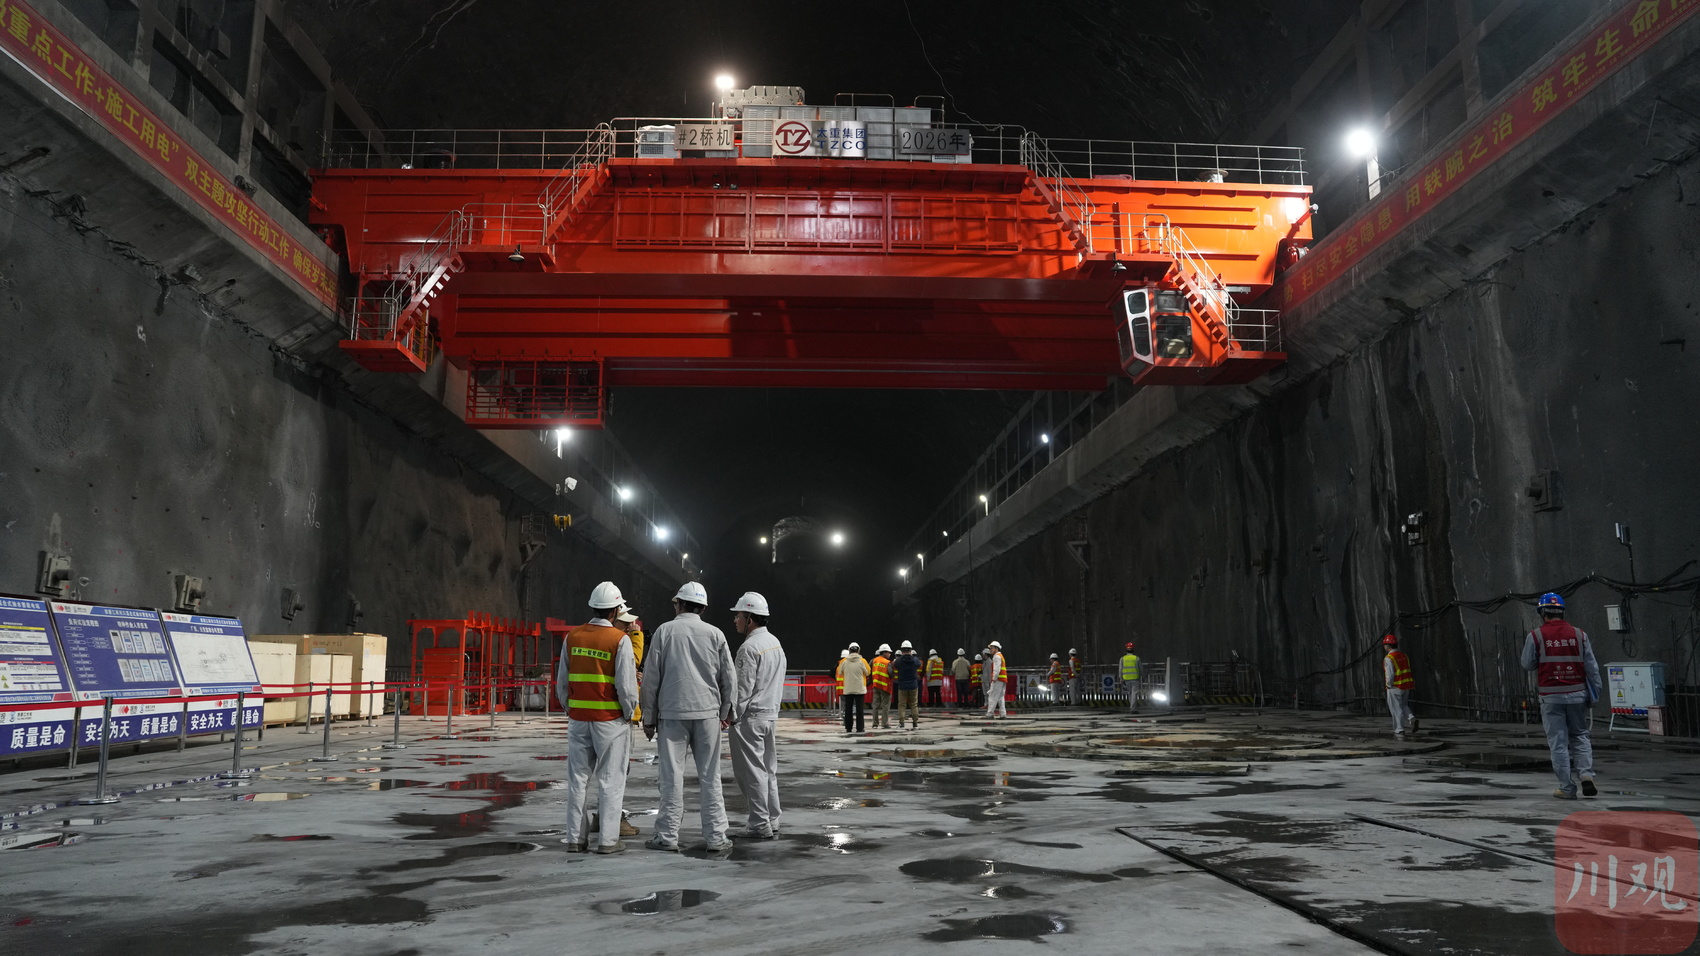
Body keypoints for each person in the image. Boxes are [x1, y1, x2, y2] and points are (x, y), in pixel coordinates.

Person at [640, 581, 736, 851]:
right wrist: (727, 712)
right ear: (702, 608)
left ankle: (667, 836)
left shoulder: (664, 631)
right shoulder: (715, 634)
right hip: (707, 714)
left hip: (672, 714)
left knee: (671, 777)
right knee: (710, 776)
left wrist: (649, 717)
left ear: (679, 604)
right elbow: (728, 676)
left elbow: (651, 678)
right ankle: (716, 837)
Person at [557, 581, 639, 854]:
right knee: (611, 780)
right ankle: (607, 841)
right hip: (610, 720)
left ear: (593, 607)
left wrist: (571, 709)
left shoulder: (573, 637)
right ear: (615, 611)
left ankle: (575, 839)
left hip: (579, 719)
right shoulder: (619, 640)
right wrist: (628, 713)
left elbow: (562, 682)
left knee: (577, 780)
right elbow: (626, 686)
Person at [1521, 592, 1603, 800]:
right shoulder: (1579, 634)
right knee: (1580, 736)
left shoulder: (1536, 636)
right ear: (1562, 612)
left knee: (1558, 743)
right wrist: (1595, 694)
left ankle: (1566, 788)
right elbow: (1592, 668)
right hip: (1577, 695)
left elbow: (1527, 664)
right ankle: (1586, 775)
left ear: (1542, 613)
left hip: (1551, 698)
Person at [728, 592, 786, 840]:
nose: (735, 620)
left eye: (738, 616)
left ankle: (759, 823)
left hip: (750, 718)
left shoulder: (749, 648)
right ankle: (772, 818)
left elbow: (742, 689)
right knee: (768, 771)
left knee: (751, 773)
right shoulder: (775, 643)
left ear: (750, 619)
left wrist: (731, 715)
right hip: (769, 715)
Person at [1382, 634, 1417, 739]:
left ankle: (1399, 729)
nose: (1384, 647)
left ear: (1388, 645)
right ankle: (1411, 718)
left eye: (1385, 645)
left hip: (1395, 686)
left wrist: (1389, 685)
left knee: (1396, 709)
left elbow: (1390, 675)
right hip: (1406, 685)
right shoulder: (1404, 656)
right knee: (1403, 705)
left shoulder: (1389, 658)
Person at [837, 643, 870, 733]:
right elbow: (868, 672)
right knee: (859, 710)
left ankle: (848, 728)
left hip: (848, 689)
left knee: (848, 709)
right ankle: (860, 728)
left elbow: (840, 672)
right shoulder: (862, 661)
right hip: (860, 689)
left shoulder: (844, 661)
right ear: (858, 650)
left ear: (849, 650)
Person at [893, 640, 922, 730]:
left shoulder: (898, 661)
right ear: (910, 650)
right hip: (913, 685)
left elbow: (895, 666)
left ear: (902, 650)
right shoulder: (915, 660)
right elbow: (919, 664)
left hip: (902, 685)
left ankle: (901, 723)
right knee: (914, 704)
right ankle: (915, 723)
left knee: (902, 705)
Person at [869, 644, 894, 729]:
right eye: (889, 652)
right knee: (885, 706)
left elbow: (869, 671)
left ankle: (875, 723)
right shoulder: (887, 662)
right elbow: (891, 674)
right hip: (885, 687)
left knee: (875, 706)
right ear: (884, 652)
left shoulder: (873, 660)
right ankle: (884, 723)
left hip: (876, 685)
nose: (889, 654)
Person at [984, 641, 1008, 719]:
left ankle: (990, 713)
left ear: (996, 648)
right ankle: (1003, 714)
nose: (990, 650)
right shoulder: (1000, 656)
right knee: (1000, 697)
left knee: (992, 696)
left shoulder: (996, 657)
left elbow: (996, 669)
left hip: (998, 680)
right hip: (1002, 679)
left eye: (991, 648)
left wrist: (994, 679)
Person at [1119, 643, 1141, 713]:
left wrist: (1121, 678)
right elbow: (1141, 668)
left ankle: (1131, 707)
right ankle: (1133, 709)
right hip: (1135, 678)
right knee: (1134, 694)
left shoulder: (1122, 659)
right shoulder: (1136, 658)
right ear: (1133, 649)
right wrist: (1143, 675)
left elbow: (1120, 669)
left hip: (1126, 679)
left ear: (1126, 649)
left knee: (1129, 693)